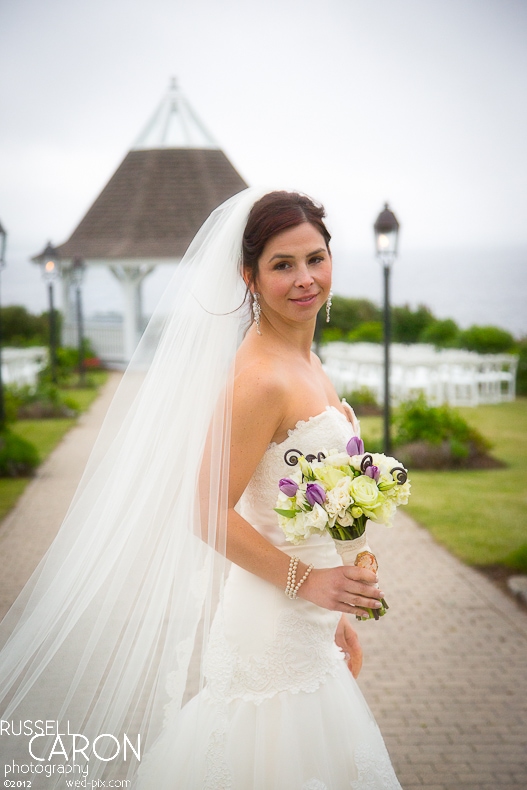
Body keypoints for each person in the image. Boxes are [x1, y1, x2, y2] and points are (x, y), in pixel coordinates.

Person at [0, 188, 402, 789]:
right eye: (282, 265)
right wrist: (310, 582)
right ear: (248, 276)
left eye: (315, 258)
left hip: (309, 626)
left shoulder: (310, 364)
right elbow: (204, 510)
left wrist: (334, 608)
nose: (305, 279)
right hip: (270, 627)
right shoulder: (261, 378)